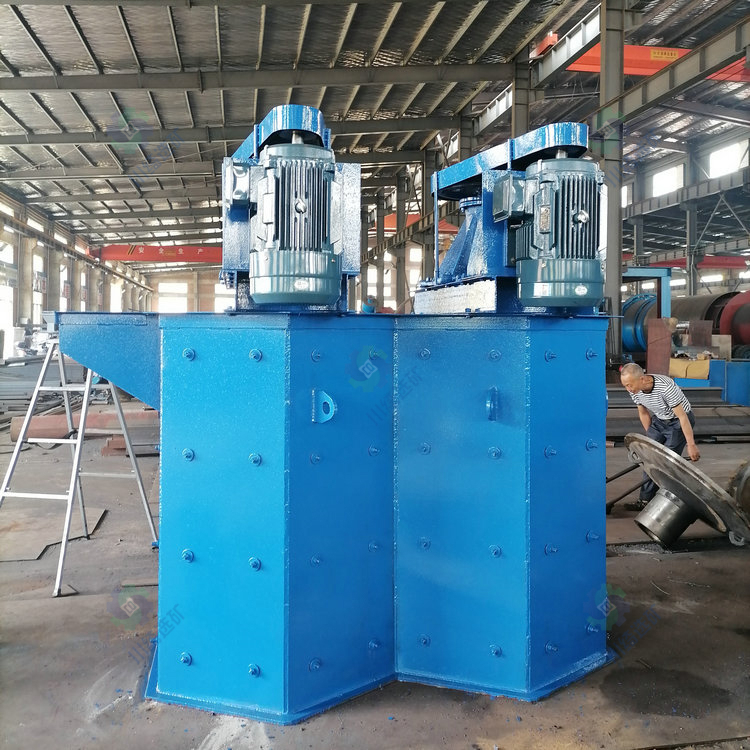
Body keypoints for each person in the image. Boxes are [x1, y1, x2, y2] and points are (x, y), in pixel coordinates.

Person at [619, 362, 700, 510]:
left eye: (629, 385)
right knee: (649, 458)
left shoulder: (665, 387)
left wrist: (691, 444)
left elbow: (682, 417)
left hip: (677, 422)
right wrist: (650, 438)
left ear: (642, 379)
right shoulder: (634, 390)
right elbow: (643, 413)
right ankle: (645, 500)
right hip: (659, 420)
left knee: (665, 463)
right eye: (625, 386)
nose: (628, 389)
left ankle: (666, 503)